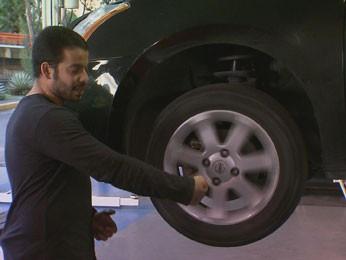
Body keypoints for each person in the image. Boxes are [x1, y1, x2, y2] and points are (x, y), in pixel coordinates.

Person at [0, 26, 208, 259]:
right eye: (75, 70)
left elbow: (48, 185)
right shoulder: (47, 118)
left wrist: (86, 219)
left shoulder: (35, 114)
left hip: (50, 244)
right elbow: (111, 167)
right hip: (43, 251)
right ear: (47, 70)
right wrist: (185, 189)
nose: (84, 79)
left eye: (85, 69)